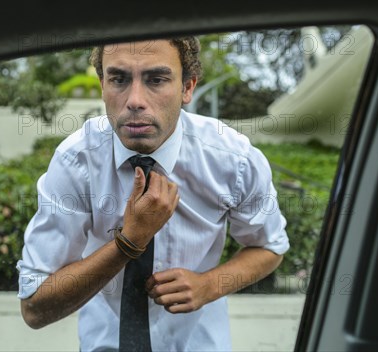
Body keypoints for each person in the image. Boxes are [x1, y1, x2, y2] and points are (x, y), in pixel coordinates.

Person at [17, 37, 290, 351]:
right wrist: (129, 243)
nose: (135, 100)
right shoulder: (76, 161)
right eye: (118, 79)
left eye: (156, 80)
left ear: (188, 87)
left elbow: (269, 247)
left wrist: (208, 285)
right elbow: (34, 308)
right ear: (102, 85)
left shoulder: (233, 160)